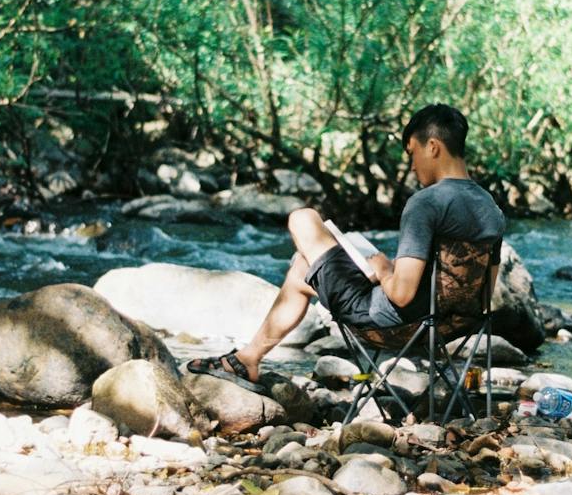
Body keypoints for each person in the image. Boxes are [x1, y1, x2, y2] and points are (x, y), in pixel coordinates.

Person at [186, 104, 505, 391]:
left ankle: (247, 359)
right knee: (302, 271)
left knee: (304, 218)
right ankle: (248, 358)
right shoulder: (490, 209)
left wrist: (383, 271)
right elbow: (483, 296)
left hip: (391, 324)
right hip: (450, 326)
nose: (410, 166)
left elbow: (402, 295)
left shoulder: (426, 203)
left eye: (411, 153)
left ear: (433, 147)